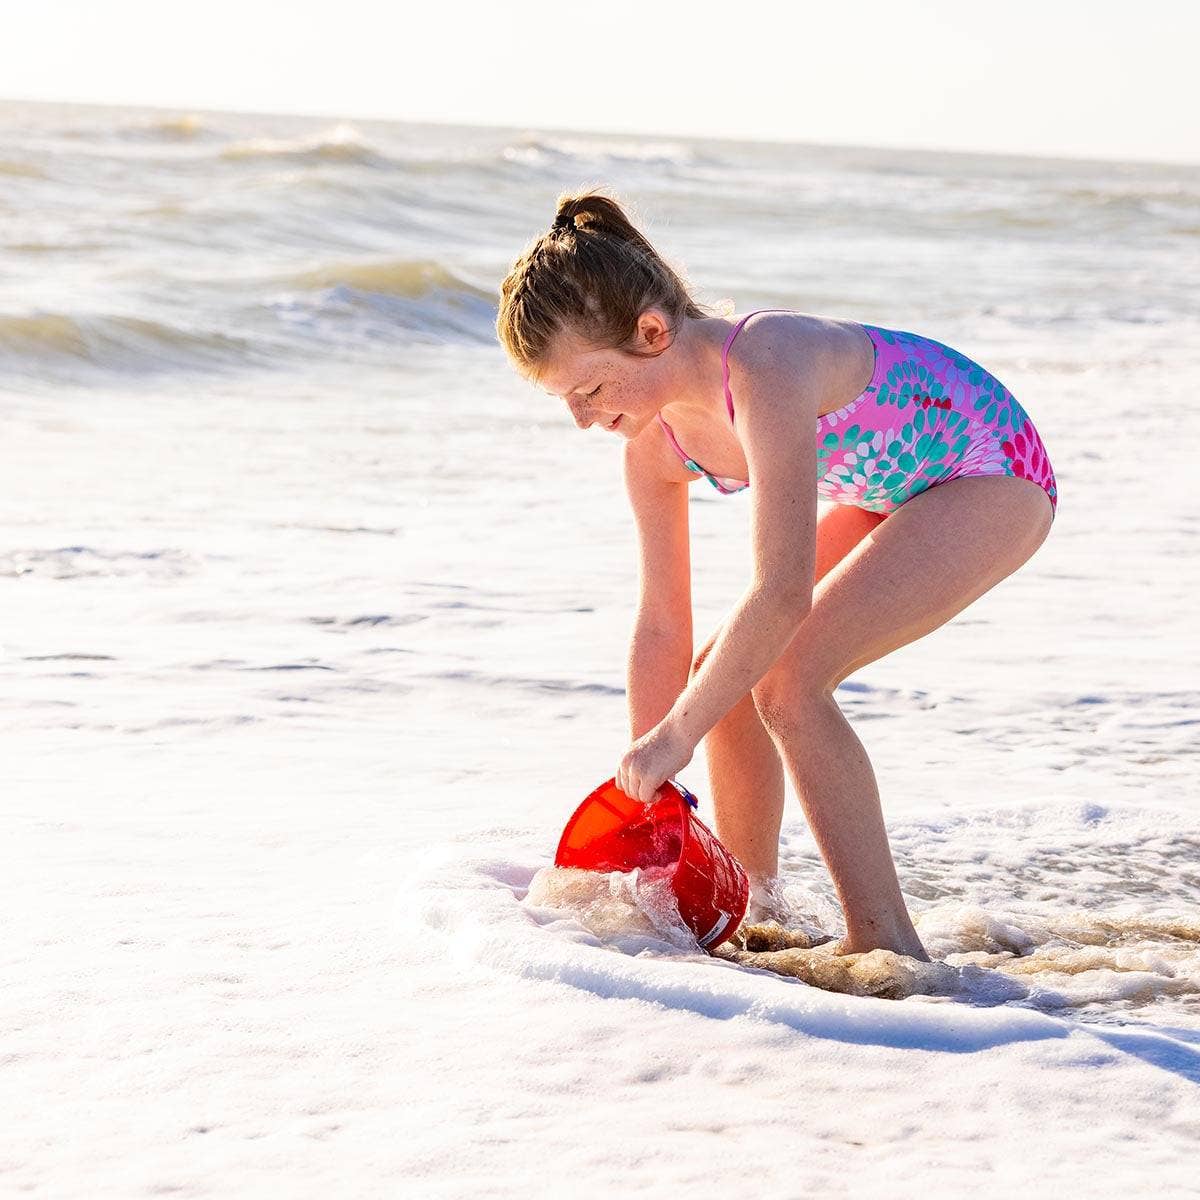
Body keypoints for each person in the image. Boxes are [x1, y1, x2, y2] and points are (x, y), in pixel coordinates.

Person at [496, 190, 1058, 961]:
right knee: (719, 676)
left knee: (787, 675)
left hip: (991, 470)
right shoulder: (653, 451)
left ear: (652, 333)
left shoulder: (765, 361)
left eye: (588, 391)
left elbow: (781, 590)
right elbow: (662, 624)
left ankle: (888, 947)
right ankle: (751, 906)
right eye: (565, 401)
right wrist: (647, 783)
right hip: (889, 490)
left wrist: (675, 737)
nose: (582, 418)